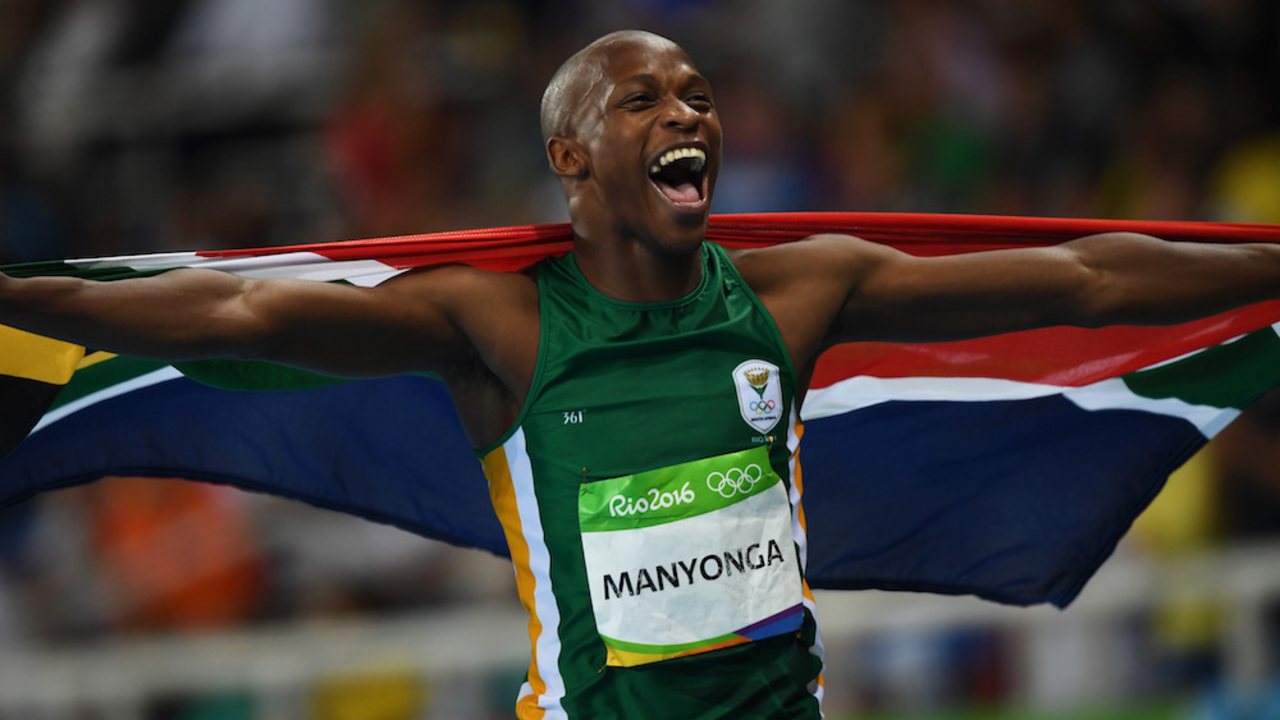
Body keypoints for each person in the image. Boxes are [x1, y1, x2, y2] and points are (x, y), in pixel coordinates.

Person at [1, 29, 1279, 719]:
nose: (685, 112)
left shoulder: (796, 291)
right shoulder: (499, 324)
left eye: (697, 94)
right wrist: (21, 303)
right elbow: (238, 307)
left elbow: (1083, 279)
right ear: (570, 156)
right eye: (642, 99)